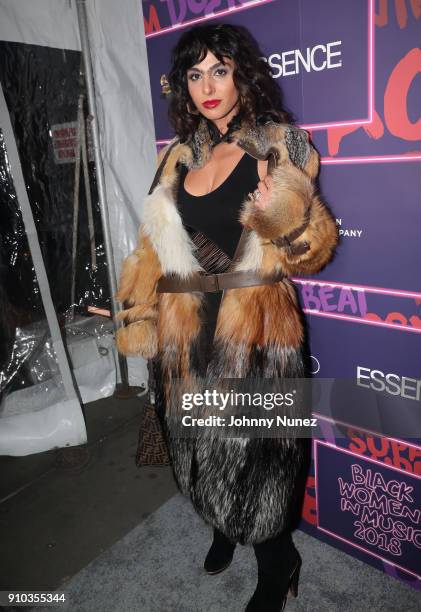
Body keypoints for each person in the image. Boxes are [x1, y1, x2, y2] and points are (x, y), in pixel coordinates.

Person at [116, 23, 338, 612]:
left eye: (220, 70)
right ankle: (222, 525)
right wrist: (138, 309)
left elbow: (309, 252)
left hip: (255, 325)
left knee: (260, 456)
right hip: (188, 323)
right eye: (195, 74)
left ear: (242, 73)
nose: (207, 86)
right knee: (196, 442)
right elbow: (151, 250)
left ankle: (277, 563)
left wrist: (279, 211)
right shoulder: (177, 157)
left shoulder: (280, 145)